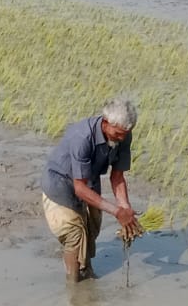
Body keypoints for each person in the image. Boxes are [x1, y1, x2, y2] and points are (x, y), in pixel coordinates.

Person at [41, 98, 143, 283]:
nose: (121, 138)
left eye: (125, 134)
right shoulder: (82, 137)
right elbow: (79, 188)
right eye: (118, 134)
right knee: (74, 235)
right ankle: (74, 286)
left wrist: (125, 208)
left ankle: (87, 274)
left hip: (89, 181)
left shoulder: (124, 135)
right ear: (105, 123)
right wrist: (117, 212)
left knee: (90, 232)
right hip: (60, 184)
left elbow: (117, 177)